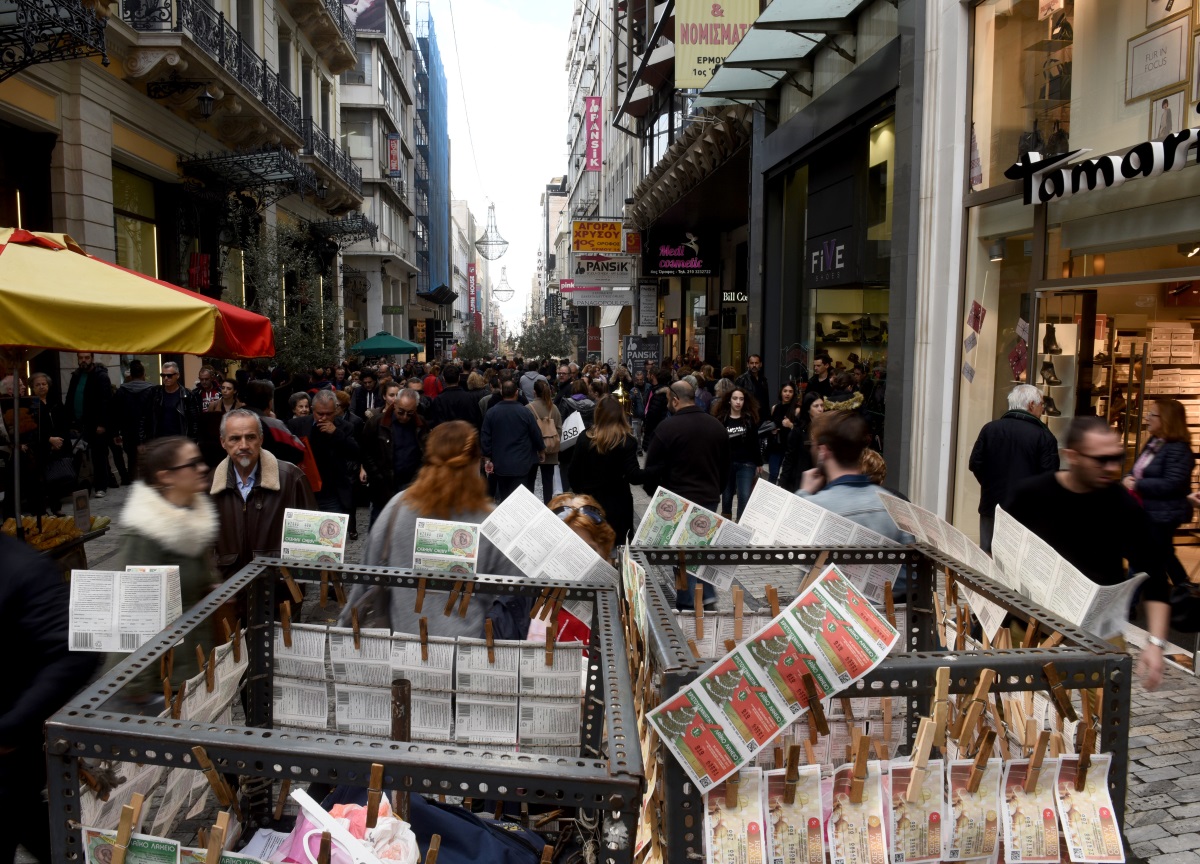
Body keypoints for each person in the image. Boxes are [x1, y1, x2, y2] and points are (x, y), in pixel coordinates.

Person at [1007, 416, 1169, 690]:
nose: (1113, 467)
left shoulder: (1122, 505)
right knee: (1022, 720)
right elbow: (1000, 557)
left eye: (1117, 457)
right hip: (1030, 630)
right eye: (1101, 459)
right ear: (1072, 455)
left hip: (1099, 634)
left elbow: (1155, 576)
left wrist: (1155, 645)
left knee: (1108, 721)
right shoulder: (1031, 495)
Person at [342, 421, 525, 639]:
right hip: (467, 651)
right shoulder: (492, 521)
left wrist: (345, 625)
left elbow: (366, 577)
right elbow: (517, 590)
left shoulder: (397, 507)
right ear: (475, 462)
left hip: (402, 647)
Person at [0, 535, 99, 864]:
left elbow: (73, 650)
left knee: (24, 817)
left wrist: (9, 729)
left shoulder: (21, 567)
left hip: (9, 756)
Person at [111, 436, 219, 690]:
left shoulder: (194, 518)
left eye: (201, 461)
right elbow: (132, 616)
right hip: (165, 680)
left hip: (195, 664)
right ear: (166, 476)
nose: (203, 468)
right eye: (192, 464)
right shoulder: (146, 531)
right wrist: (135, 686)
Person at [641, 380, 730, 609]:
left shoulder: (667, 428)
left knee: (682, 554)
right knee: (699, 549)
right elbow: (725, 468)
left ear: (675, 400)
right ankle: (705, 596)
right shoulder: (716, 426)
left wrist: (657, 497)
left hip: (678, 499)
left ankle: (689, 602)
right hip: (708, 497)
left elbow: (651, 469)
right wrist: (715, 492)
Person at [210, 408, 316, 580]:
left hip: (277, 592)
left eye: (250, 437)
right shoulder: (210, 484)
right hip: (228, 594)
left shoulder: (290, 478)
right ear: (223, 442)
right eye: (235, 438)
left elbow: (311, 542)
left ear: (261, 439)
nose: (243, 445)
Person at [799, 411, 913, 546]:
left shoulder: (812, 507)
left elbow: (789, 557)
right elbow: (909, 562)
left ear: (824, 451)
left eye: (813, 446)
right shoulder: (895, 508)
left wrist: (803, 495)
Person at [968, 383, 1059, 551]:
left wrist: (990, 485)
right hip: (1026, 514)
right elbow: (1049, 478)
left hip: (991, 506)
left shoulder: (990, 429)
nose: (1043, 409)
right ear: (1031, 405)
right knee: (1016, 564)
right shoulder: (1044, 437)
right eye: (1041, 405)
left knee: (987, 559)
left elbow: (975, 464)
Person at [1123, 398, 1194, 589]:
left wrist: (1138, 484)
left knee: (1147, 557)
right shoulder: (1155, 442)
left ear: (1166, 419)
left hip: (1163, 514)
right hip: (1147, 510)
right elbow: (1138, 468)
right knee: (1161, 555)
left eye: (1152, 415)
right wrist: (1129, 478)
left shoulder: (1178, 449)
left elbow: (1172, 483)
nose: (1147, 418)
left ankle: (1132, 602)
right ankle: (1181, 589)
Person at [567, 395, 644, 545]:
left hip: (590, 503)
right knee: (618, 546)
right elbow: (634, 476)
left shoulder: (585, 438)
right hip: (618, 503)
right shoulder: (627, 441)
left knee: (592, 544)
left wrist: (581, 493)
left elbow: (572, 472)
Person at [292, 390, 359, 534]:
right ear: (312, 410)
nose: (324, 418)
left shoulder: (345, 427)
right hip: (304, 490)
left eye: (329, 414)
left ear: (336, 410)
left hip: (331, 492)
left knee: (330, 538)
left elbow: (355, 452)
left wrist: (335, 433)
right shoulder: (297, 425)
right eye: (320, 414)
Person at [361, 388, 427, 527]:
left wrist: (416, 481)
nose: (404, 417)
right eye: (401, 412)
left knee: (405, 528)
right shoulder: (377, 423)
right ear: (394, 405)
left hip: (410, 486)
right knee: (379, 527)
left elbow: (425, 454)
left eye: (410, 413)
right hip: (383, 486)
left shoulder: (421, 424)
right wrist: (377, 476)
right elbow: (366, 452)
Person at [481, 380, 545, 502]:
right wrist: (541, 450)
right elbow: (535, 433)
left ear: (501, 392)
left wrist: (487, 458)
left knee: (505, 497)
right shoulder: (525, 412)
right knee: (521, 498)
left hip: (500, 462)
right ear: (517, 392)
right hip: (522, 462)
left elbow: (485, 436)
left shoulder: (492, 412)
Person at [65, 352, 113, 497]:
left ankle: (101, 487)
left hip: (96, 424)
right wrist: (69, 421)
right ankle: (72, 486)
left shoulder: (101, 376)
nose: (84, 360)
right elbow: (70, 398)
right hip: (78, 423)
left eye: (87, 358)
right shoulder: (76, 375)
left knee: (99, 455)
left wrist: (103, 424)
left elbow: (106, 402)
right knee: (76, 455)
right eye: (81, 358)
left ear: (92, 359)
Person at [713, 385, 761, 520]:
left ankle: (740, 524)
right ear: (729, 400)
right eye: (735, 398)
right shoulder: (722, 419)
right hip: (727, 464)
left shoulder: (749, 419)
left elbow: (754, 442)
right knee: (727, 496)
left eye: (741, 399)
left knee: (744, 495)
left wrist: (759, 462)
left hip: (746, 463)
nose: (738, 402)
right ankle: (726, 522)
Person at [28, 372, 71, 515]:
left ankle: (56, 507)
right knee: (40, 480)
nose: (41, 387)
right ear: (32, 387)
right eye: (38, 385)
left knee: (56, 477)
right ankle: (41, 511)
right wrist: (48, 439)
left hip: (58, 445)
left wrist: (59, 441)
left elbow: (64, 423)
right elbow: (32, 428)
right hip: (40, 447)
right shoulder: (31, 405)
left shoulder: (56, 401)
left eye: (44, 384)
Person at [113, 359, 154, 483]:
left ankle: (134, 487)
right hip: (148, 433)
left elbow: (116, 414)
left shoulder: (122, 391)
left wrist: (116, 433)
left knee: (132, 462)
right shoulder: (151, 391)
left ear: (131, 375)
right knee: (148, 463)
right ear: (143, 374)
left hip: (128, 432)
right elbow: (152, 414)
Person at [779, 392, 825, 492]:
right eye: (816, 406)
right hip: (800, 480)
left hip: (821, 480)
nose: (820, 409)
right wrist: (783, 481)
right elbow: (789, 457)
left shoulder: (826, 428)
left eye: (822, 405)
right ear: (808, 409)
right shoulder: (799, 430)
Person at [146, 361, 201, 444]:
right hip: (160, 441)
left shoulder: (187, 395)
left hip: (179, 441)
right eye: (163, 375)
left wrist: (193, 441)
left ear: (177, 375)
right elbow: (147, 418)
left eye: (169, 376)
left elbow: (194, 421)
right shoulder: (155, 394)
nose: (166, 378)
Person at [526, 378, 562, 503]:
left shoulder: (528, 408)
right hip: (550, 450)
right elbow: (559, 429)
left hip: (532, 450)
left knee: (530, 481)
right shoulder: (554, 408)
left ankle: (530, 507)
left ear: (534, 392)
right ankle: (548, 505)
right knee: (548, 483)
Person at [429, 364, 484, 428]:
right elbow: (477, 421)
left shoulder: (438, 400)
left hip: (446, 436)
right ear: (459, 378)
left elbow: (436, 423)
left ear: (444, 379)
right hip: (466, 435)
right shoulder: (470, 398)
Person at [765, 382, 797, 485]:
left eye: (790, 391)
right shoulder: (775, 407)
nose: (787, 394)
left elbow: (800, 430)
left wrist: (790, 425)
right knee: (773, 474)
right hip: (776, 445)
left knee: (787, 476)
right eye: (785, 391)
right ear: (781, 392)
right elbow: (771, 423)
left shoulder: (796, 409)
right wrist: (772, 430)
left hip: (789, 446)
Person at [642, 366, 671, 447]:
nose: (647, 376)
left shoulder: (660, 393)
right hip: (652, 430)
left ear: (652, 376)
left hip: (656, 431)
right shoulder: (652, 389)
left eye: (648, 374)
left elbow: (654, 414)